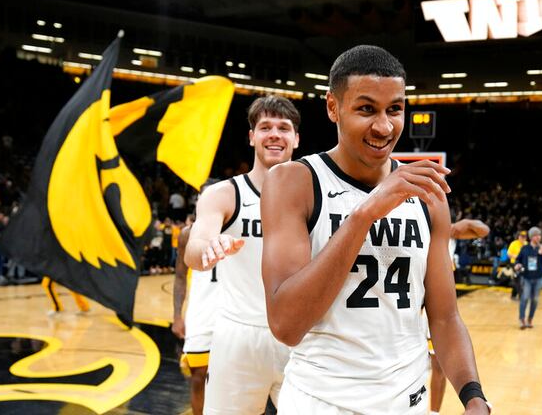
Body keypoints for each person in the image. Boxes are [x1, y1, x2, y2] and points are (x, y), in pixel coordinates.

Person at [261, 45, 489, 414]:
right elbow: (286, 325)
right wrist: (365, 213)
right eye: (366, 109)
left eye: (394, 109)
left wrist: (473, 395)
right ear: (333, 107)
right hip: (322, 401)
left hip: (407, 400)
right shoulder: (293, 182)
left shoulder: (428, 195)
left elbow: (445, 317)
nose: (384, 127)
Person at [183, 95, 300, 414]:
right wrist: (208, 248)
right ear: (251, 137)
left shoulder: (313, 197)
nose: (274, 134)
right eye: (265, 127)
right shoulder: (224, 194)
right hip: (238, 335)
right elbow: (194, 250)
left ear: (296, 139)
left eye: (283, 128)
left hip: (297, 335)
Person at [429, 219, 490, 415]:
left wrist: (466, 223)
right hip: (410, 304)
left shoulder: (447, 231)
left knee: (439, 366)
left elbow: (484, 230)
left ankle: (434, 412)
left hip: (434, 306)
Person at [172, 221, 219, 415]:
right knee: (198, 377)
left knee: (241, 379)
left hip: (235, 310)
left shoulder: (243, 225)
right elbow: (180, 276)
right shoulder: (187, 234)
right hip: (202, 312)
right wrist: (177, 316)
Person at [514, 227, 542, 329]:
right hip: (526, 277)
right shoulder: (525, 248)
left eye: (539, 235)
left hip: (539, 278)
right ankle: (522, 319)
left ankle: (530, 319)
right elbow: (518, 260)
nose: (538, 237)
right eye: (535, 235)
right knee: (525, 298)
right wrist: (517, 265)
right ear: (531, 237)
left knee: (535, 300)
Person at [507, 231, 527, 300]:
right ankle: (521, 296)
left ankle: (514, 295)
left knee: (520, 280)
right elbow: (508, 254)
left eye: (524, 237)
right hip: (514, 264)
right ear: (518, 236)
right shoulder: (514, 243)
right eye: (521, 236)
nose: (523, 238)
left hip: (523, 264)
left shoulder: (526, 244)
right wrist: (517, 257)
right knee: (518, 280)